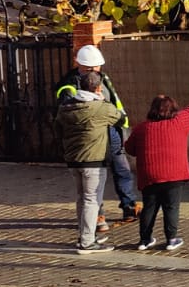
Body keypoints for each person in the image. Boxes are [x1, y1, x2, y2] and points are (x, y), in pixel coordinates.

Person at [124, 78, 189, 254]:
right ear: (173, 109)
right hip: (174, 174)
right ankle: (171, 239)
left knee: (149, 207)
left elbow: (130, 149)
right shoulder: (180, 121)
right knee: (171, 207)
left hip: (149, 175)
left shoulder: (141, 128)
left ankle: (144, 240)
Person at [55, 44, 138, 227]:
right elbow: (70, 113)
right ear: (79, 64)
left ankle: (129, 207)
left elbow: (114, 101)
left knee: (122, 171)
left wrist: (121, 124)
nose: (94, 70)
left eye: (97, 66)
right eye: (89, 67)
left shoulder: (103, 77)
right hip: (91, 138)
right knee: (94, 180)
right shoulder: (69, 85)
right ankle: (98, 216)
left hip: (112, 131)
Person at [57, 72, 128, 255]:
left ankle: (85, 236)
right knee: (92, 200)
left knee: (82, 198)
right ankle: (87, 242)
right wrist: (104, 101)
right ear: (98, 88)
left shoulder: (67, 107)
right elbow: (121, 119)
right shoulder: (101, 107)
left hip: (74, 160)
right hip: (94, 160)